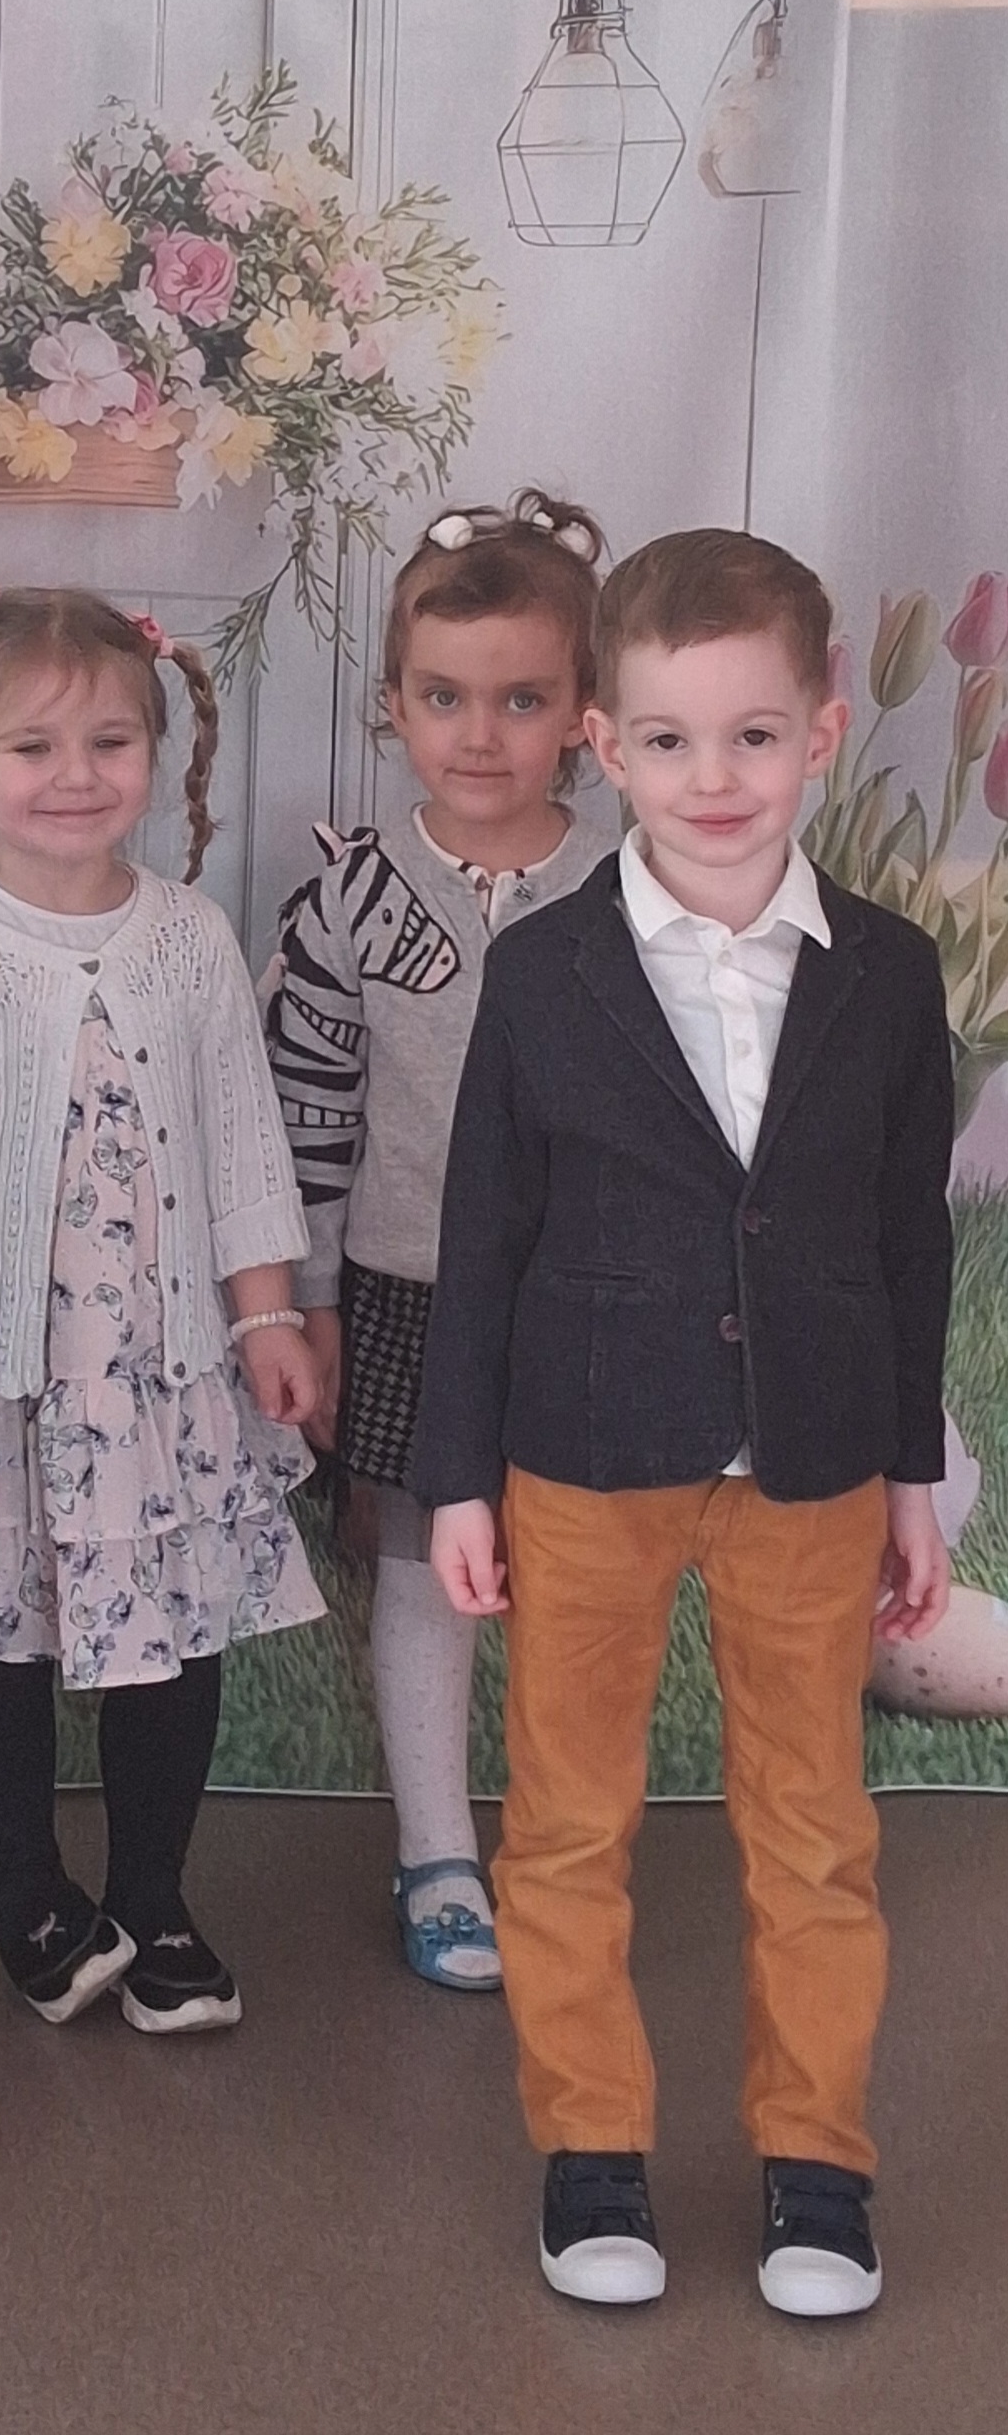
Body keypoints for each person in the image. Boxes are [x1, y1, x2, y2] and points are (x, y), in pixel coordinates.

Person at [411, 527, 954, 2320]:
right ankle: (590, 2148)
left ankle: (817, 2163)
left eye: (750, 736)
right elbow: (482, 1237)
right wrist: (457, 1480)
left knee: (810, 1828)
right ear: (601, 743)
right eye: (663, 740)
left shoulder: (885, 973)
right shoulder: (542, 972)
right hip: (582, 1461)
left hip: (809, 1466)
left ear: (821, 729)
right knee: (568, 1821)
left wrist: (909, 1473)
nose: (708, 779)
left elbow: (906, 1239)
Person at [0, 585, 323, 2033]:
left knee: (172, 1633)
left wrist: (267, 1318)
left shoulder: (188, 939)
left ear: (155, 753)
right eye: (33, 747)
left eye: (109, 743)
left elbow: (243, 1140)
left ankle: (155, 1896)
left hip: (162, 1370)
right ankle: (27, 1893)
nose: (75, 776)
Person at [261, 497, 611, 1992]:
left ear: (585, 711)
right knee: (423, 1574)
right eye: (444, 697)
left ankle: (564, 1847)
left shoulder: (633, 894)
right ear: (392, 703)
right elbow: (309, 1118)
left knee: (577, 1577)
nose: (480, 736)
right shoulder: (344, 903)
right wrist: (315, 1302)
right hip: (405, 1295)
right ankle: (437, 1854)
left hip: (587, 1303)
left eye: (522, 700)